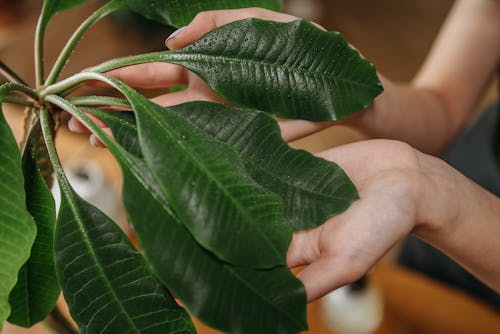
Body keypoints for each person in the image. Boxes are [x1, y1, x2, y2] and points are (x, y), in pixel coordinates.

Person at [68, 0, 500, 302]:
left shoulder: (441, 202)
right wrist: (341, 83)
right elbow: (443, 108)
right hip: (445, 229)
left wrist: (441, 200)